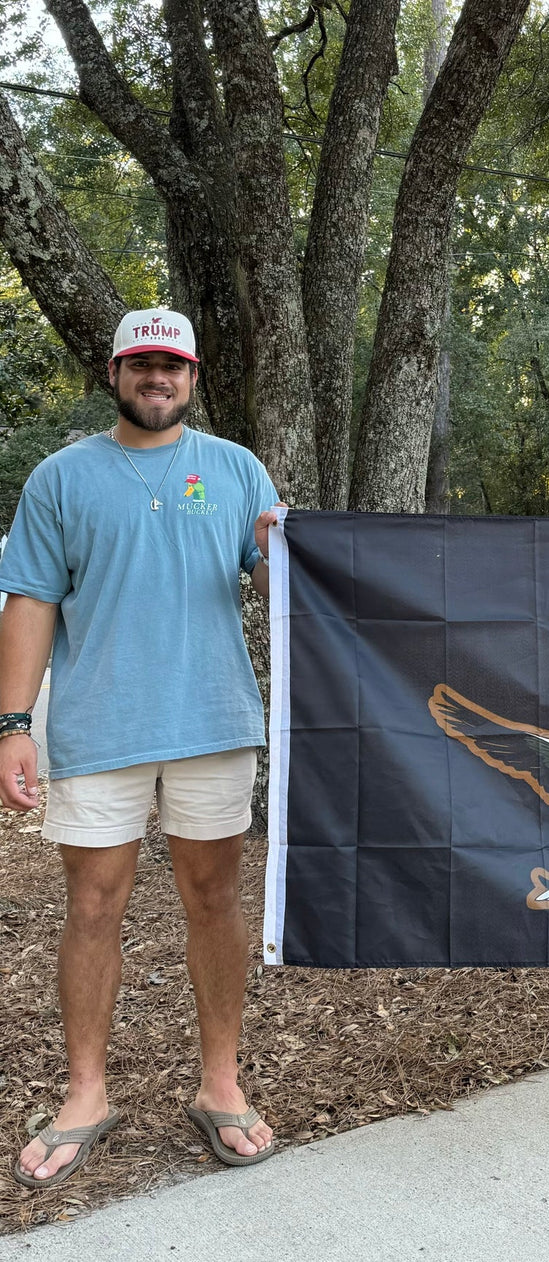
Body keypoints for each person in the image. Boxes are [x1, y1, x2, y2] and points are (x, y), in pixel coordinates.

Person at [0, 308, 282, 1187]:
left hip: (212, 720)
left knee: (215, 899)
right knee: (92, 906)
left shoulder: (235, 469)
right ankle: (86, 1094)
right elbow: (31, 600)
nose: (157, 378)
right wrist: (12, 725)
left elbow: (274, 587)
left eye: (172, 365)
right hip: (100, 725)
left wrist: (277, 555)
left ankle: (220, 1081)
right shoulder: (60, 477)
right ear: (116, 373)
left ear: (193, 377)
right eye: (141, 363)